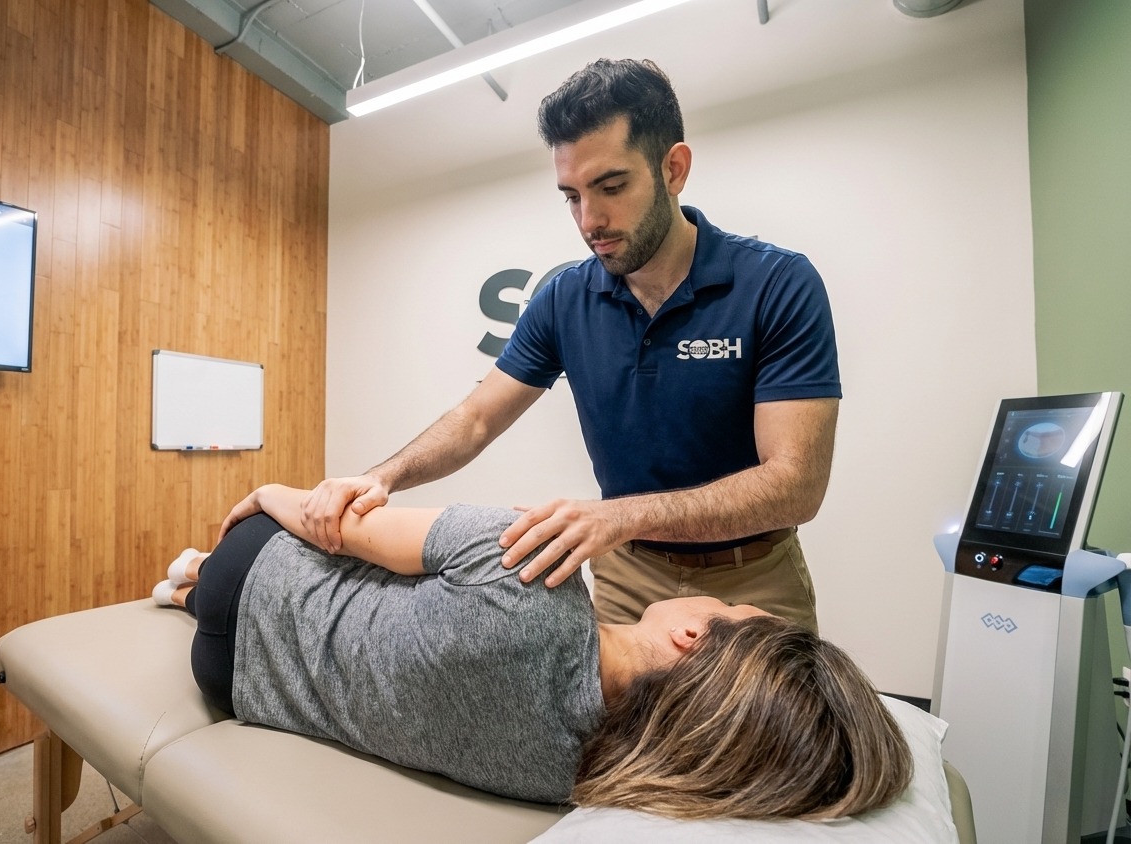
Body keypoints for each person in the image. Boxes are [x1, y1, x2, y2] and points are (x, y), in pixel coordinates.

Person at [300, 58, 840, 632]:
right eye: (572, 196)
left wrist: (617, 517)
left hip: (753, 575)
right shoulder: (564, 298)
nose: (590, 220)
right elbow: (478, 418)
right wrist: (383, 477)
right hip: (627, 577)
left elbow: (795, 486)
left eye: (611, 186)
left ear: (674, 169)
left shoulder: (777, 284)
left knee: (762, 726)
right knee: (622, 725)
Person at [151, 483, 911, 817]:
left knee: (353, 547)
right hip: (230, 681)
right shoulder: (583, 775)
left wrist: (270, 489)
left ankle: (194, 580)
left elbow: (333, 526)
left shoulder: (533, 574)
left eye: (730, 607)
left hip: (250, 568)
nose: (712, 598)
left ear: (691, 635)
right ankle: (186, 587)